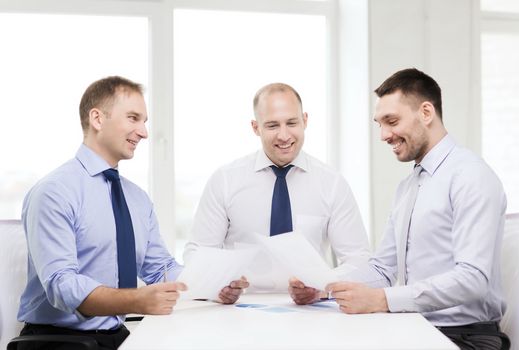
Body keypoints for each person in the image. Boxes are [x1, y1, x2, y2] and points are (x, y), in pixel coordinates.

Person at [17, 76, 246, 350]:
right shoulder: (54, 192)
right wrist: (136, 300)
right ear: (98, 119)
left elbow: (160, 268)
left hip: (117, 335)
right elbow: (62, 286)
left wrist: (215, 288)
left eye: (144, 121)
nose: (144, 132)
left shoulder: (136, 199)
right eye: (133, 118)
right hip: (58, 342)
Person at [315, 68, 509, 350]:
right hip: (416, 327)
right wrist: (322, 285)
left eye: (391, 121)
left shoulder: (471, 176)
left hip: (467, 337)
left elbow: (473, 279)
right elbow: (382, 268)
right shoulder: (408, 187)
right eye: (379, 124)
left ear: (426, 113)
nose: (383, 135)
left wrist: (382, 300)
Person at [184, 82, 370, 294]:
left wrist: (323, 285)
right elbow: (198, 252)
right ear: (256, 127)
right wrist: (218, 286)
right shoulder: (225, 181)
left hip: (313, 316)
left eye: (291, 123)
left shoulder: (332, 183)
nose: (284, 136)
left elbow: (359, 259)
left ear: (305, 120)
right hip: (238, 312)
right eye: (272, 126)